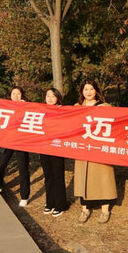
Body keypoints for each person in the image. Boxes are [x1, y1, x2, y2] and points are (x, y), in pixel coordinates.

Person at [74, 80, 118, 223]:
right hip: (82, 149)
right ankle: (85, 209)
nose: (89, 92)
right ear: (82, 91)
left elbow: (117, 122)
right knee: (83, 178)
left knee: (103, 178)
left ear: (96, 90)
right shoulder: (76, 107)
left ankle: (105, 210)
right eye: (86, 89)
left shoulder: (105, 107)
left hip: (100, 150)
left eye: (91, 89)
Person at [0, 87, 32, 207]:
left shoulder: (27, 107)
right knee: (1, 164)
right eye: (14, 94)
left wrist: (25, 107)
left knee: (23, 169)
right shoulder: (6, 107)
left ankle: (24, 196)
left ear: (22, 95)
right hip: (8, 140)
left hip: (21, 142)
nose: (16, 96)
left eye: (18, 94)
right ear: (10, 95)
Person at [40, 88, 69, 216]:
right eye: (48, 96)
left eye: (53, 96)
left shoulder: (63, 111)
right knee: (48, 176)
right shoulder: (41, 110)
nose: (50, 98)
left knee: (57, 176)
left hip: (57, 147)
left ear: (57, 97)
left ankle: (60, 205)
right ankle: (50, 203)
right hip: (44, 147)